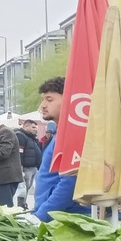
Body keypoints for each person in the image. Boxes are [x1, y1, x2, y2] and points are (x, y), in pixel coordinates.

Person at [33, 77, 88, 220]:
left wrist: (41, 215)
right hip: (58, 216)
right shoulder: (61, 133)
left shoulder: (72, 135)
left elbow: (70, 182)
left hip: (68, 219)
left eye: (49, 99)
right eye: (43, 99)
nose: (43, 106)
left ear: (69, 100)